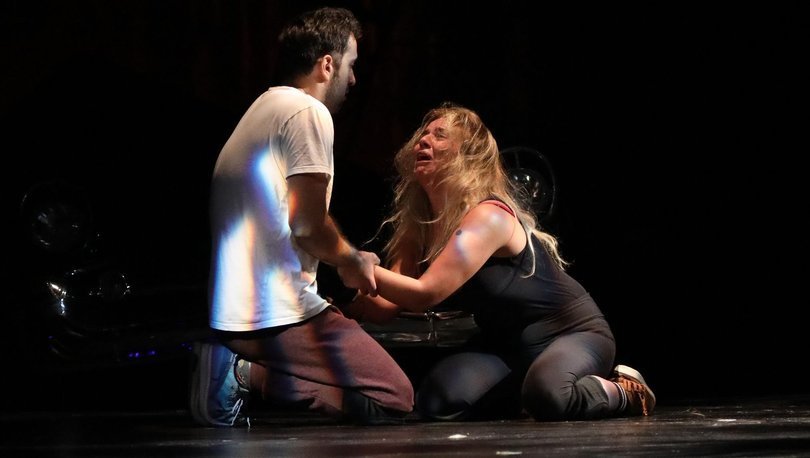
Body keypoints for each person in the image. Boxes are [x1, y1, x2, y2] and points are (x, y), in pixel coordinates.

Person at [341, 102, 655, 421]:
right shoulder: (419, 226)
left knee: (549, 395)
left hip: (571, 333)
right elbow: (386, 304)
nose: (423, 140)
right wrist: (336, 309)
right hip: (506, 347)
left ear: (468, 155)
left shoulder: (488, 217)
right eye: (423, 134)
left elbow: (425, 294)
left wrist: (353, 263)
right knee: (438, 401)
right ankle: (528, 390)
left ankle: (624, 392)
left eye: (440, 135)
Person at [189, 6, 414, 427]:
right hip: (276, 314)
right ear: (327, 65)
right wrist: (351, 260)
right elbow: (308, 225)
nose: (353, 79)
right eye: (351, 65)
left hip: (238, 310)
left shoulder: (264, 107)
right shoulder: (308, 112)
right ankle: (242, 374)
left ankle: (240, 368)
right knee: (394, 397)